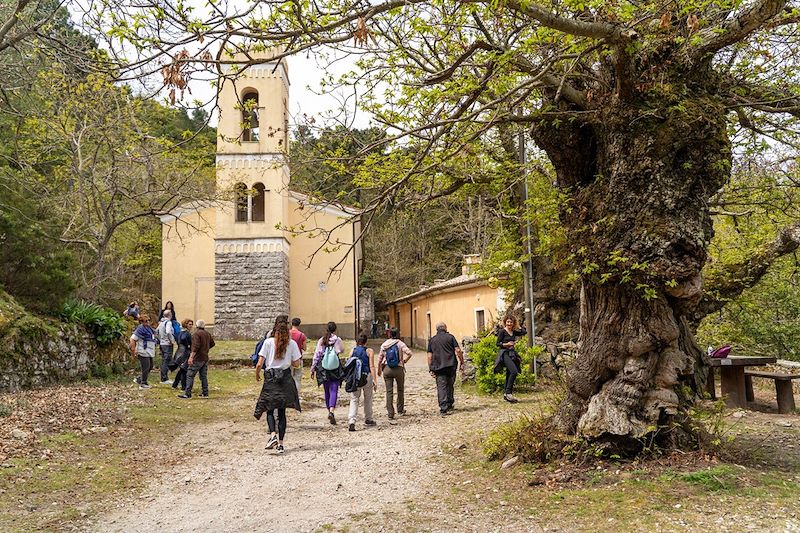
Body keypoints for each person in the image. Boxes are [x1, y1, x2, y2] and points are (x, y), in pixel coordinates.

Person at [254, 318, 302, 454]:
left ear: (275, 331)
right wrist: (288, 361)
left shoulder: (268, 342)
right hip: (285, 378)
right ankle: (281, 444)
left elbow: (259, 363)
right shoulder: (292, 344)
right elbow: (297, 363)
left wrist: (257, 374)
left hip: (271, 378)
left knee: (269, 408)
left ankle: (272, 435)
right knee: (282, 412)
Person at [310, 321, 344, 425]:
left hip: (323, 367)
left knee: (326, 390)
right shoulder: (337, 340)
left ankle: (329, 409)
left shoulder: (322, 340)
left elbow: (317, 355)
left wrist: (312, 368)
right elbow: (341, 350)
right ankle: (332, 410)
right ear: (335, 329)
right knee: (334, 389)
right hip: (334, 367)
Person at [427, 322, 464, 415]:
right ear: (445, 328)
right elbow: (458, 350)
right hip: (451, 365)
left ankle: (443, 407)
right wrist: (462, 362)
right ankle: (450, 402)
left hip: (438, 366)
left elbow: (429, 356)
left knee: (441, 386)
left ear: (437, 329)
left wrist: (430, 368)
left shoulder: (432, 340)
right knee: (450, 384)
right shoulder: (451, 337)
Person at [378, 328, 413, 419]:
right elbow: (409, 353)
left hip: (387, 369)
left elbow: (380, 358)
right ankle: (400, 409)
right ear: (397, 334)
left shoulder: (384, 344)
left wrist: (379, 369)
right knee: (400, 389)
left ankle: (390, 413)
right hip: (399, 369)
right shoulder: (400, 343)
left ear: (389, 334)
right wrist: (404, 360)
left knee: (389, 391)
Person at [347, 334, 377, 431]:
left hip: (356, 377)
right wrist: (375, 380)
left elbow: (349, 364)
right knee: (368, 398)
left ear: (357, 342)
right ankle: (368, 418)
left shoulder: (353, 351)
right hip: (366, 376)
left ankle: (352, 420)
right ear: (365, 342)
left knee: (354, 398)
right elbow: (372, 366)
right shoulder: (369, 351)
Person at [178, 319, 215, 399]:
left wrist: (191, 357)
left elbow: (195, 347)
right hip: (205, 358)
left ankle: (187, 393)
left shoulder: (196, 334)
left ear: (197, 326)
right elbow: (212, 343)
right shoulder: (207, 334)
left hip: (197, 358)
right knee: (203, 376)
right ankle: (205, 393)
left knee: (190, 374)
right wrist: (205, 349)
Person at [494, 316, 527, 403]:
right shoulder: (502, 332)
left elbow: (524, 332)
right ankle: (508, 392)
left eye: (511, 322)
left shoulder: (514, 331)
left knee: (509, 373)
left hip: (512, 353)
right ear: (505, 322)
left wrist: (518, 326)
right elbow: (497, 344)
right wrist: (506, 344)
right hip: (504, 353)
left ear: (513, 323)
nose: (509, 324)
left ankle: (507, 394)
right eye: (508, 322)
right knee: (514, 371)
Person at [130, 315, 156, 389]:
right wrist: (134, 350)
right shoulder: (140, 329)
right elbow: (132, 339)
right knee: (146, 367)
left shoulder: (149, 328)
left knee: (150, 366)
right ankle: (143, 383)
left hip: (149, 351)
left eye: (148, 320)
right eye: (146, 321)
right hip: (143, 351)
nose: (148, 322)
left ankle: (139, 379)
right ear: (141, 322)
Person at [171, 318, 193, 391]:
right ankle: (183, 386)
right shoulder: (186, 333)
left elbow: (179, 340)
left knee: (182, 370)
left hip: (180, 351)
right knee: (184, 370)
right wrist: (188, 345)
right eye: (189, 324)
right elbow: (183, 339)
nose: (191, 326)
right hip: (185, 352)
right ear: (185, 324)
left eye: (191, 324)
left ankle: (175, 384)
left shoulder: (180, 332)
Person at [156, 309, 176, 385]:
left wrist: (160, 339)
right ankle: (164, 378)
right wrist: (171, 340)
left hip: (162, 343)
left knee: (164, 360)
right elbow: (168, 332)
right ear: (170, 315)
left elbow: (156, 331)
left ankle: (164, 377)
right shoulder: (168, 322)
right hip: (167, 344)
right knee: (166, 361)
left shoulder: (161, 323)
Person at [289, 317, 307, 393]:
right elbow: (304, 348)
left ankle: (289, 394)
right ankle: (296, 394)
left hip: (289, 358)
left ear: (291, 323)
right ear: (299, 324)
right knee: (297, 377)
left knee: (289, 377)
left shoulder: (287, 333)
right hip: (298, 358)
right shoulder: (302, 335)